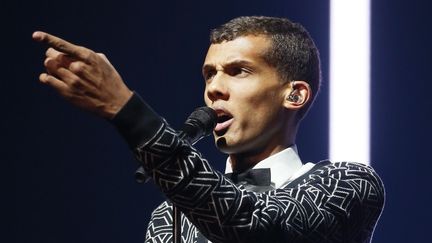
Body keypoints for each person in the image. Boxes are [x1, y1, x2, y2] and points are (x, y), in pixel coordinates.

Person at [33, 16, 384, 243]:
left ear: (294, 94)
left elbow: (257, 227)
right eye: (209, 74)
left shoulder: (349, 184)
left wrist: (127, 111)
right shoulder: (169, 216)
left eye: (238, 71)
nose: (214, 87)